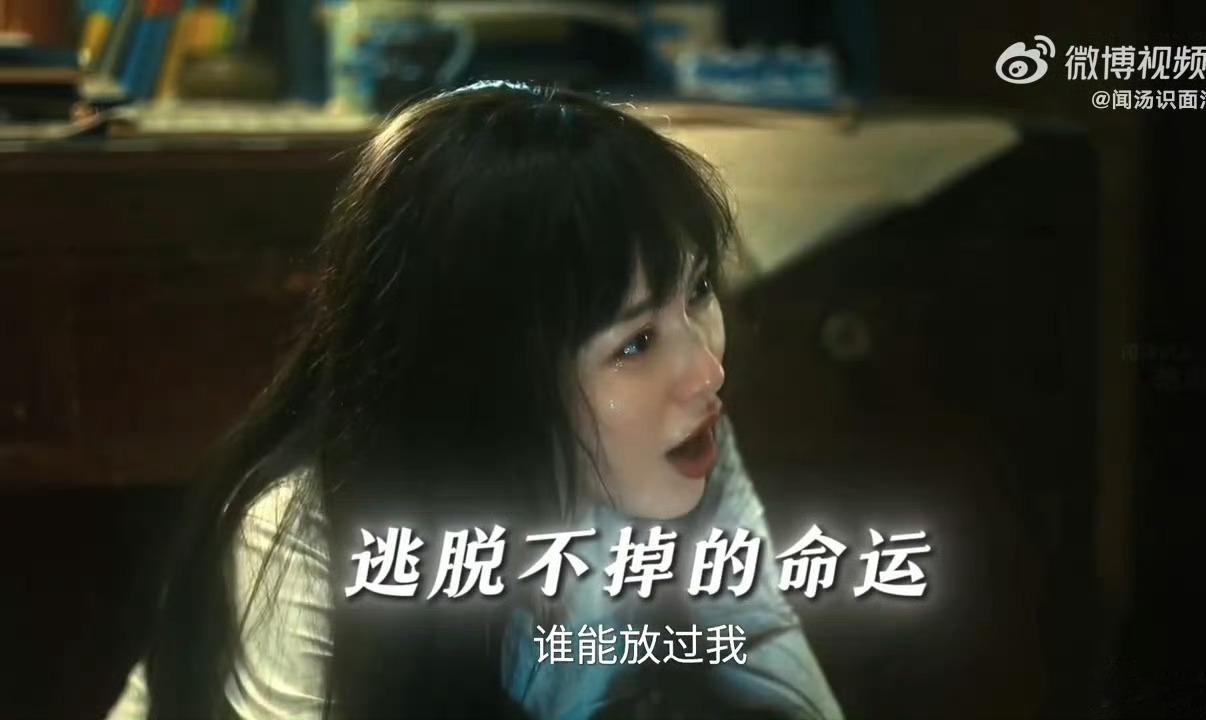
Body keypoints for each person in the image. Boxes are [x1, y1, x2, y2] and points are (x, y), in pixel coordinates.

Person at [105, 80, 844, 720]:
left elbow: (759, 643)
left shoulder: (678, 438)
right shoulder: (307, 528)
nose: (707, 371)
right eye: (636, 342)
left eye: (700, 289)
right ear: (492, 379)